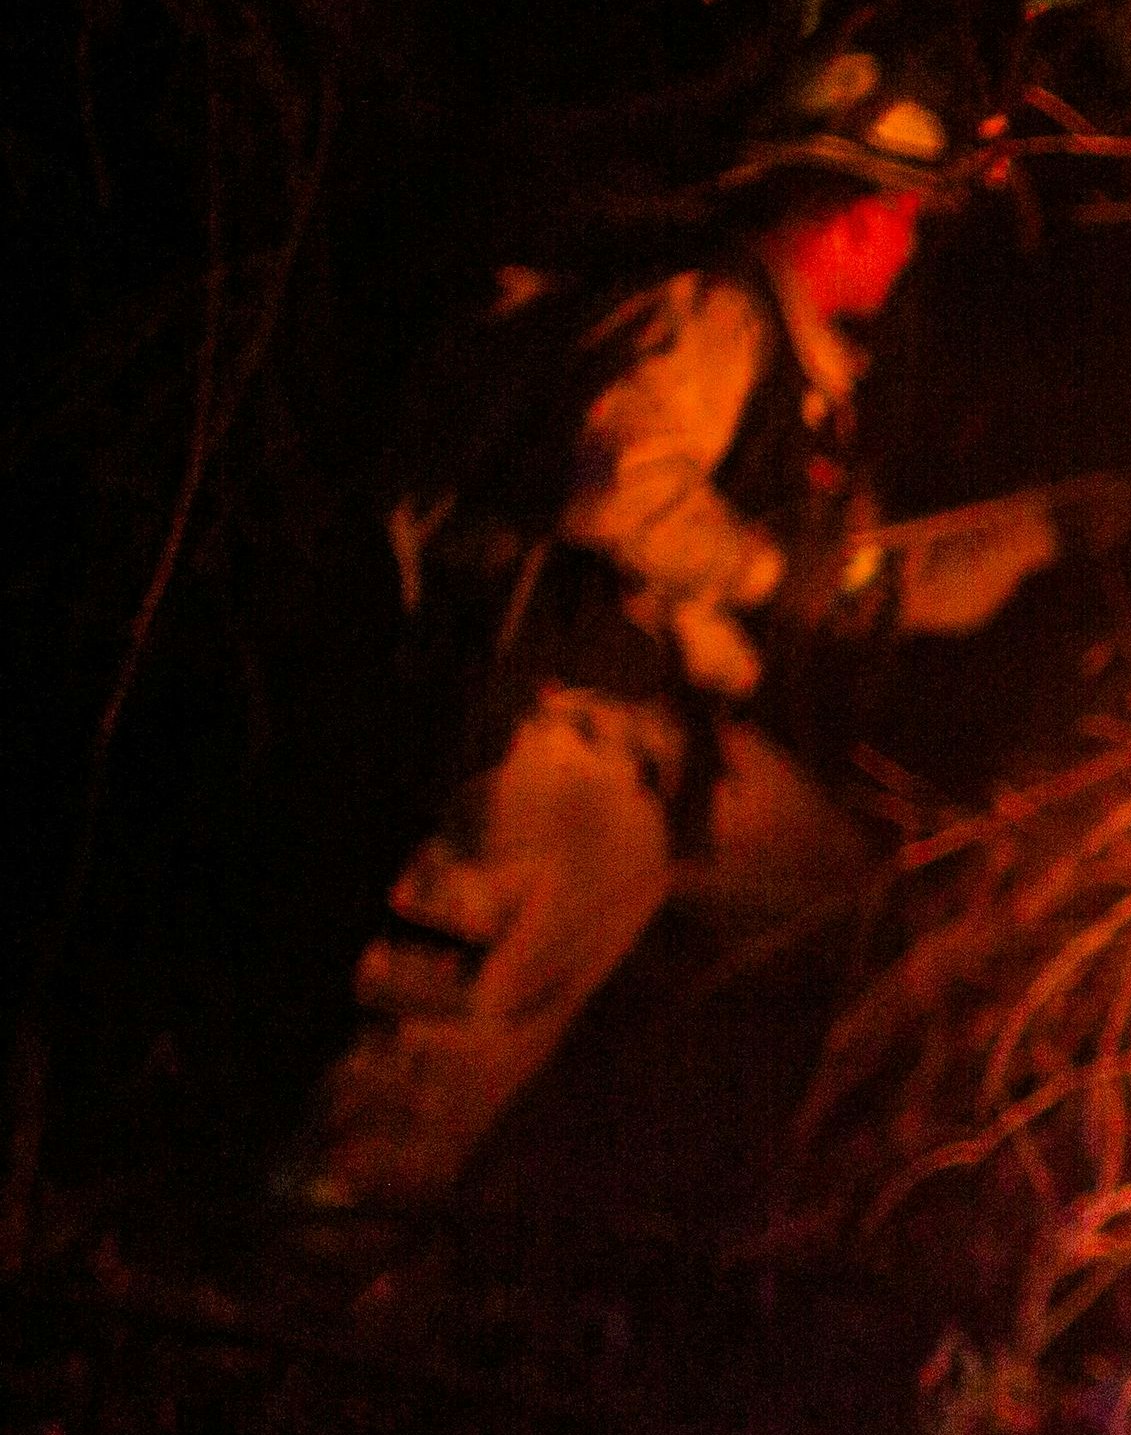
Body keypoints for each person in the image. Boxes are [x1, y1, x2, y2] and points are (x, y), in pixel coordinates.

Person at [280, 45, 1079, 1213]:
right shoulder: (710, 314)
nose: (911, 250)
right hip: (579, 742)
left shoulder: (806, 383)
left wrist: (1056, 535)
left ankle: (655, 1222)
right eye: (906, 220)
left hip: (680, 756)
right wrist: (770, 573)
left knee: (849, 915)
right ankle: (301, 1268)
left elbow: (867, 586)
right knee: (468, 1024)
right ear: (856, 218)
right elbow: (621, 489)